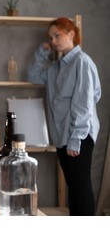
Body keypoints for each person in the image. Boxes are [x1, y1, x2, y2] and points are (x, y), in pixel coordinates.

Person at [27, 17, 101, 216]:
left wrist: (76, 137)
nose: (53, 41)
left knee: (81, 186)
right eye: (51, 37)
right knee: (74, 188)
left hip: (78, 136)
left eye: (57, 35)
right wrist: (42, 54)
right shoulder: (55, 68)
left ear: (72, 34)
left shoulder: (82, 62)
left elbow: (85, 103)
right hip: (62, 136)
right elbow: (32, 76)